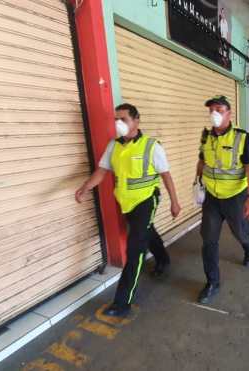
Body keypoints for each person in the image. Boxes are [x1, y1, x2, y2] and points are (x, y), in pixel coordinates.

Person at [75, 103, 181, 317]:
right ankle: (163, 258)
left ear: (136, 121)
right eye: (117, 119)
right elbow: (102, 171)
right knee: (147, 232)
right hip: (126, 203)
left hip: (146, 200)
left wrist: (174, 202)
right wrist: (86, 186)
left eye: (123, 119)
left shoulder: (152, 146)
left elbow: (166, 176)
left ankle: (122, 302)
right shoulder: (113, 146)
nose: (118, 123)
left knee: (135, 249)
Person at [195, 95, 249, 304]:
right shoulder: (206, 137)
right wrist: (197, 182)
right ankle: (212, 282)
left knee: (240, 231)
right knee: (208, 240)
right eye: (211, 109)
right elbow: (202, 160)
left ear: (229, 114)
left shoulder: (242, 137)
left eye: (219, 109)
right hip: (212, 198)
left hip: (235, 197)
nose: (214, 113)